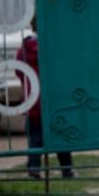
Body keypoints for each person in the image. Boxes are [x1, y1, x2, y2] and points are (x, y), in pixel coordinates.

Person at [16, 17, 74, 179]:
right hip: (56, 98)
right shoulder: (56, 44)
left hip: (33, 98)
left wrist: (28, 86)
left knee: (35, 138)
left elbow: (19, 70)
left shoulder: (25, 48)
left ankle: (34, 169)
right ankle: (67, 170)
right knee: (61, 135)